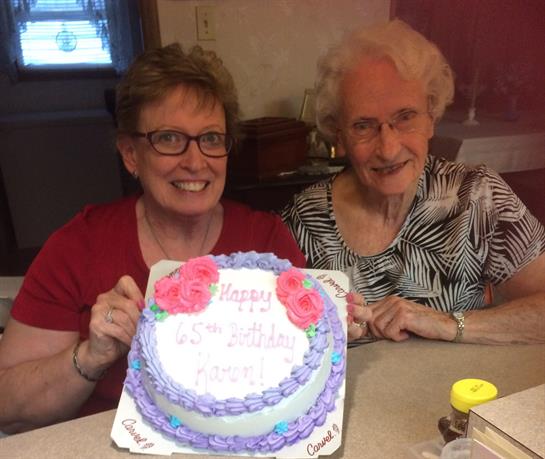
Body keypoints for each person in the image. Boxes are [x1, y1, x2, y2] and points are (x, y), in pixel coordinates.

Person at [0, 43, 305, 433]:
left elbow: (305, 372)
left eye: (211, 138)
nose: (196, 162)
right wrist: (91, 357)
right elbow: (7, 405)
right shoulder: (79, 247)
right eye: (169, 138)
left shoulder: (267, 241)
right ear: (130, 154)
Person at [282, 20, 545, 345]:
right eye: (363, 125)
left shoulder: (477, 197)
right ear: (340, 136)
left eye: (405, 117)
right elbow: (280, 342)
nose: (389, 148)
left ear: (431, 117)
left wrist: (450, 324)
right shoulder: (304, 220)